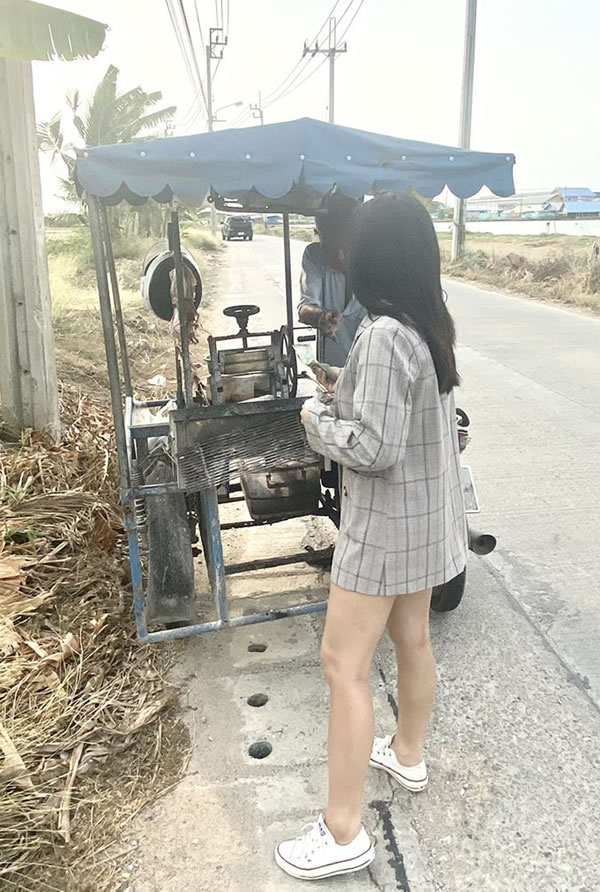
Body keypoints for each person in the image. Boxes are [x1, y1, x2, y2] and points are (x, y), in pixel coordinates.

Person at [274, 194, 467, 881]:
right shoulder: (427, 326)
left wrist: (315, 419)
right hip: (424, 522)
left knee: (342, 665)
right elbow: (403, 423)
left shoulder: (384, 333)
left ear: (375, 255)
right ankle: (407, 754)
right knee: (412, 637)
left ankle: (342, 830)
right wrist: (345, 393)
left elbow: (375, 448)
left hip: (384, 528)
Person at [298, 190, 366, 367]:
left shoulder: (375, 262)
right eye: (331, 248)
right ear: (318, 234)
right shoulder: (314, 256)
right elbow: (305, 308)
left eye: (346, 247)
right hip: (331, 370)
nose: (340, 257)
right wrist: (320, 316)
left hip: (369, 365)